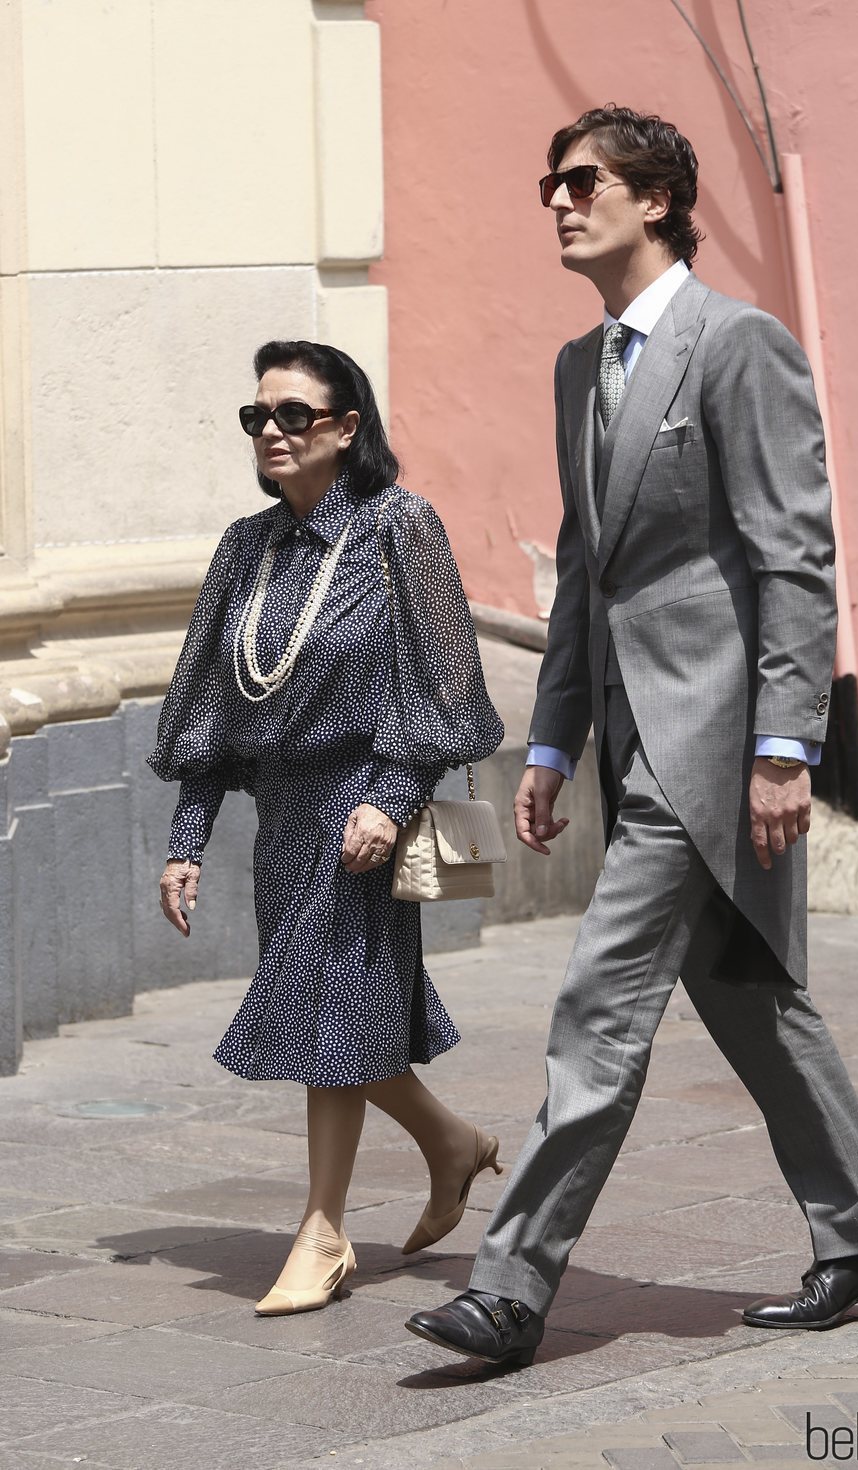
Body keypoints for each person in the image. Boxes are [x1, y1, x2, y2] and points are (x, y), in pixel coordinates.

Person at [406, 107, 858, 1368]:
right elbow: (588, 575)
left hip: (713, 742)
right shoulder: (580, 369)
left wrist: (785, 749)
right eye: (550, 181)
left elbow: (791, 561)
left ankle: (512, 1284)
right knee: (745, 993)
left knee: (597, 1004)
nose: (558, 201)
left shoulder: (737, 346)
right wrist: (546, 744)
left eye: (581, 180)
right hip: (632, 740)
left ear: (655, 197)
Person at [150, 340, 504, 1316]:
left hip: (362, 809)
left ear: (346, 429)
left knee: (323, 1013)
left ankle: (323, 1233)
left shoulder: (400, 529)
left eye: (292, 415)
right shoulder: (244, 548)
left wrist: (388, 798)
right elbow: (212, 705)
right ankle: (451, 1143)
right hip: (283, 817)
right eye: (256, 416)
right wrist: (187, 837)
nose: (270, 431)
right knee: (334, 1013)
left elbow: (444, 684)